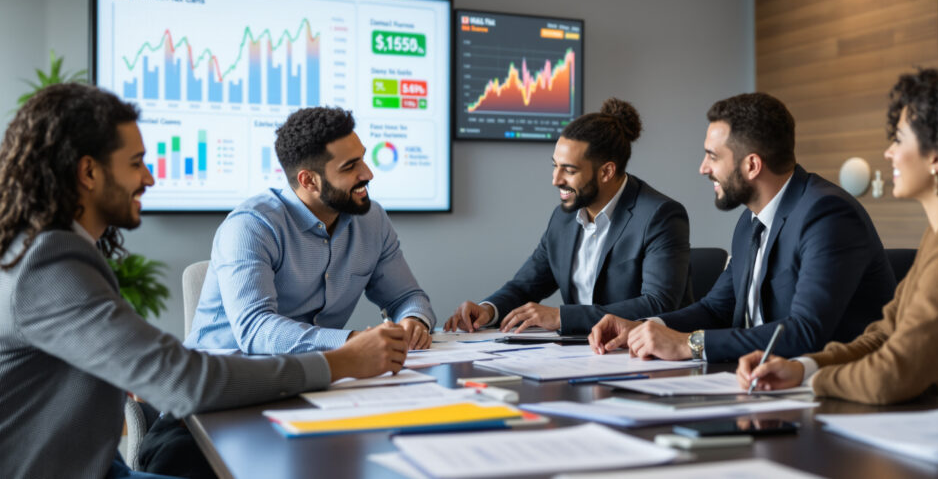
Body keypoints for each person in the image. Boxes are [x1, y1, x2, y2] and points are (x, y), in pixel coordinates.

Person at [0, 84, 408, 479]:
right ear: (88, 172)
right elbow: (185, 379)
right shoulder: (48, 262)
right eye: (135, 162)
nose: (149, 178)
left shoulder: (45, 248)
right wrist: (342, 361)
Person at [738, 69, 938, 408]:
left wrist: (813, 381)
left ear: (937, 155)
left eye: (899, 140)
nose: (889, 153)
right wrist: (803, 367)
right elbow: (885, 334)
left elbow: (894, 374)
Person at [589, 93, 895, 361]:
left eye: (712, 156)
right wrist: (647, 326)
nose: (703, 168)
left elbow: (805, 332)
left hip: (828, 391)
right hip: (757, 381)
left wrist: (691, 344)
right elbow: (716, 309)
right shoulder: (751, 220)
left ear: (751, 165)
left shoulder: (827, 215)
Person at [185, 107, 436, 353]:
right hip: (225, 376)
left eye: (362, 158)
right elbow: (256, 329)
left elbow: (406, 297)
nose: (367, 173)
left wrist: (414, 321)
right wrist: (354, 342)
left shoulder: (372, 220)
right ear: (308, 181)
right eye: (350, 167)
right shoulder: (250, 226)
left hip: (315, 373)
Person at [444, 98, 693, 336]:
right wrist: (488, 309)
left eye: (569, 170)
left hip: (644, 356)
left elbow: (658, 304)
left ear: (606, 171)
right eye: (555, 165)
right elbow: (525, 286)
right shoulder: (563, 218)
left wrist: (563, 317)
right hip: (581, 354)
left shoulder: (659, 216)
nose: (556, 180)